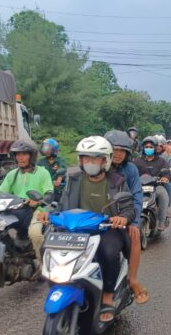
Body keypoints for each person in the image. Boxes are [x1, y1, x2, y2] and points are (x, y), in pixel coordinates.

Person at [50, 136, 136, 323]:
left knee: (109, 252)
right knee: (49, 247)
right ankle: (59, 284)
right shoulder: (73, 179)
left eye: (94, 158)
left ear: (105, 160)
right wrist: (50, 213)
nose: (89, 163)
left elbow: (130, 208)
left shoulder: (117, 180)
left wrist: (122, 218)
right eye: (85, 158)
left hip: (106, 230)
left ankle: (107, 294)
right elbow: (62, 203)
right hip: (76, 230)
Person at [0, 139, 53, 269]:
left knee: (35, 233)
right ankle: (5, 255)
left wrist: (38, 201)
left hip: (35, 211)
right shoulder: (12, 174)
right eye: (17, 154)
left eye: (24, 154)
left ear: (32, 156)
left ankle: (42, 262)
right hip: (14, 211)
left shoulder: (42, 173)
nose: (20, 157)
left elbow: (49, 194)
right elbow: (0, 192)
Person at [104, 130, 149, 304]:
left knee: (135, 236)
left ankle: (132, 279)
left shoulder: (130, 169)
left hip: (124, 215)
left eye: (122, 150)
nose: (118, 154)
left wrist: (134, 222)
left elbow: (137, 195)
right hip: (97, 218)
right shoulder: (97, 166)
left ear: (127, 153)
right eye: (114, 149)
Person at [133, 136, 171, 232]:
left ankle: (162, 222)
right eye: (147, 147)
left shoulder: (161, 161)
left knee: (163, 194)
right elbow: (132, 174)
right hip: (140, 187)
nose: (149, 149)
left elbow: (166, 172)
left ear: (155, 148)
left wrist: (165, 177)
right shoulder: (137, 162)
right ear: (143, 148)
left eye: (151, 147)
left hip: (156, 187)